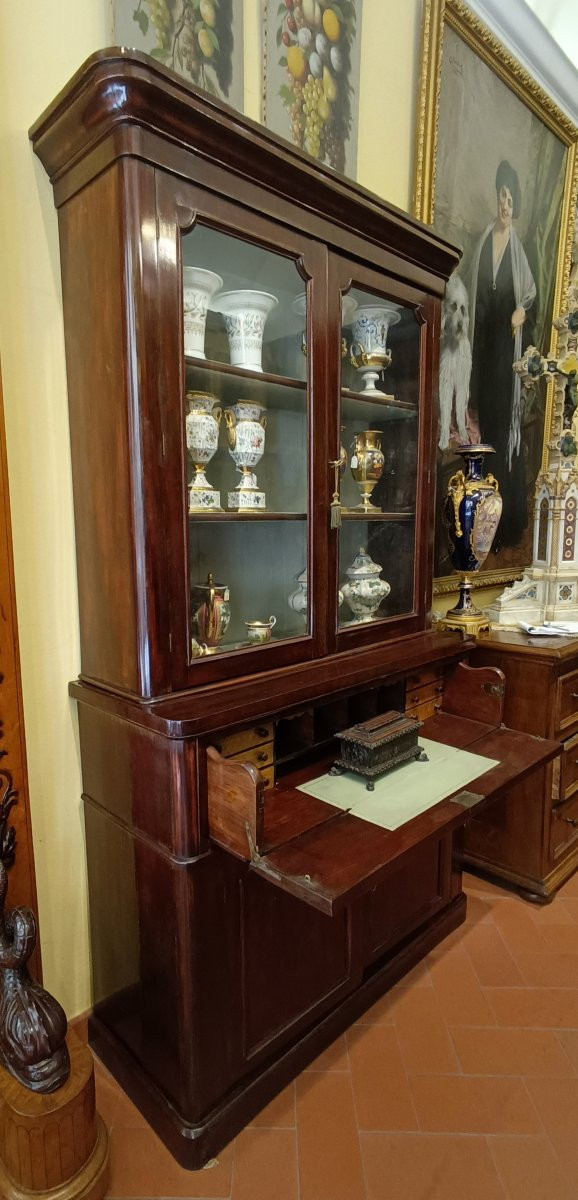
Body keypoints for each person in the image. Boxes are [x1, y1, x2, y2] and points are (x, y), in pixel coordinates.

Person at [468, 160, 536, 548]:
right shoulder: (482, 242)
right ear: (496, 199)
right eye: (501, 197)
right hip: (483, 349)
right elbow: (474, 296)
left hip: (505, 358)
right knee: (485, 433)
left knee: (503, 435)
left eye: (510, 199)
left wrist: (520, 312)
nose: (505, 204)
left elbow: (529, 296)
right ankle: (479, 529)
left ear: (515, 203)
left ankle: (505, 528)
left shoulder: (518, 250)